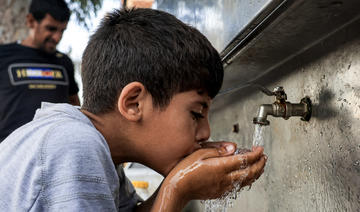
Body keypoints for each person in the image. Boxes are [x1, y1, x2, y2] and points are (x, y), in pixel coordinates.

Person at [0, 8, 267, 211]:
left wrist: (182, 183)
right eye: (196, 113)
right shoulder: (74, 145)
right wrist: (176, 188)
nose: (205, 132)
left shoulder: (103, 154)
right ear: (133, 103)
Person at [0, 0, 80, 142]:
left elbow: (74, 103)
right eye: (51, 28)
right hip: (9, 153)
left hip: (57, 150)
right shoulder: (4, 56)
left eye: (62, 30)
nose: (57, 37)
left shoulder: (64, 62)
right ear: (31, 21)